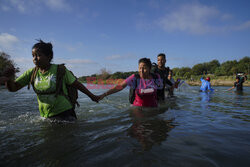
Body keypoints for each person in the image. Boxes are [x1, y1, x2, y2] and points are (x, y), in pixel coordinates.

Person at [0, 40, 99, 121]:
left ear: (49, 56)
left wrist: (92, 96)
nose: (35, 59)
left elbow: (77, 84)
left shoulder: (60, 70)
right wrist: (8, 80)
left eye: (38, 55)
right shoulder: (31, 73)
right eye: (33, 56)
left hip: (65, 113)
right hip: (45, 116)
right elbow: (14, 88)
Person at [98, 58, 163, 107]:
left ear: (150, 68)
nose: (141, 71)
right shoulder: (134, 77)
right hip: (138, 109)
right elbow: (120, 86)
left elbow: (161, 89)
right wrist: (104, 94)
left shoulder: (156, 77)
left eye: (144, 68)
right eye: (140, 68)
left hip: (153, 108)